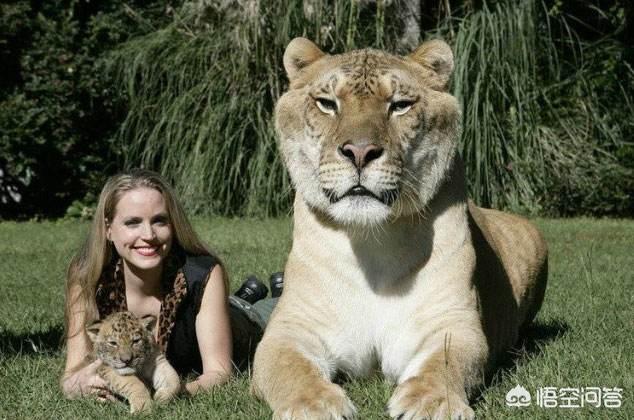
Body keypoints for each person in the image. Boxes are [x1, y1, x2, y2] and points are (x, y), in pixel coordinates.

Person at [60, 169, 278, 400]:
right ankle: (249, 292)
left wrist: (172, 394)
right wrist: (81, 385)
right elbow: (72, 374)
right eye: (132, 223)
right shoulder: (87, 275)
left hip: (246, 320)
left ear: (172, 225)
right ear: (109, 229)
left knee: (281, 308)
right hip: (216, 307)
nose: (148, 235)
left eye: (159, 221)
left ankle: (267, 295)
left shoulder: (202, 273)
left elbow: (219, 372)